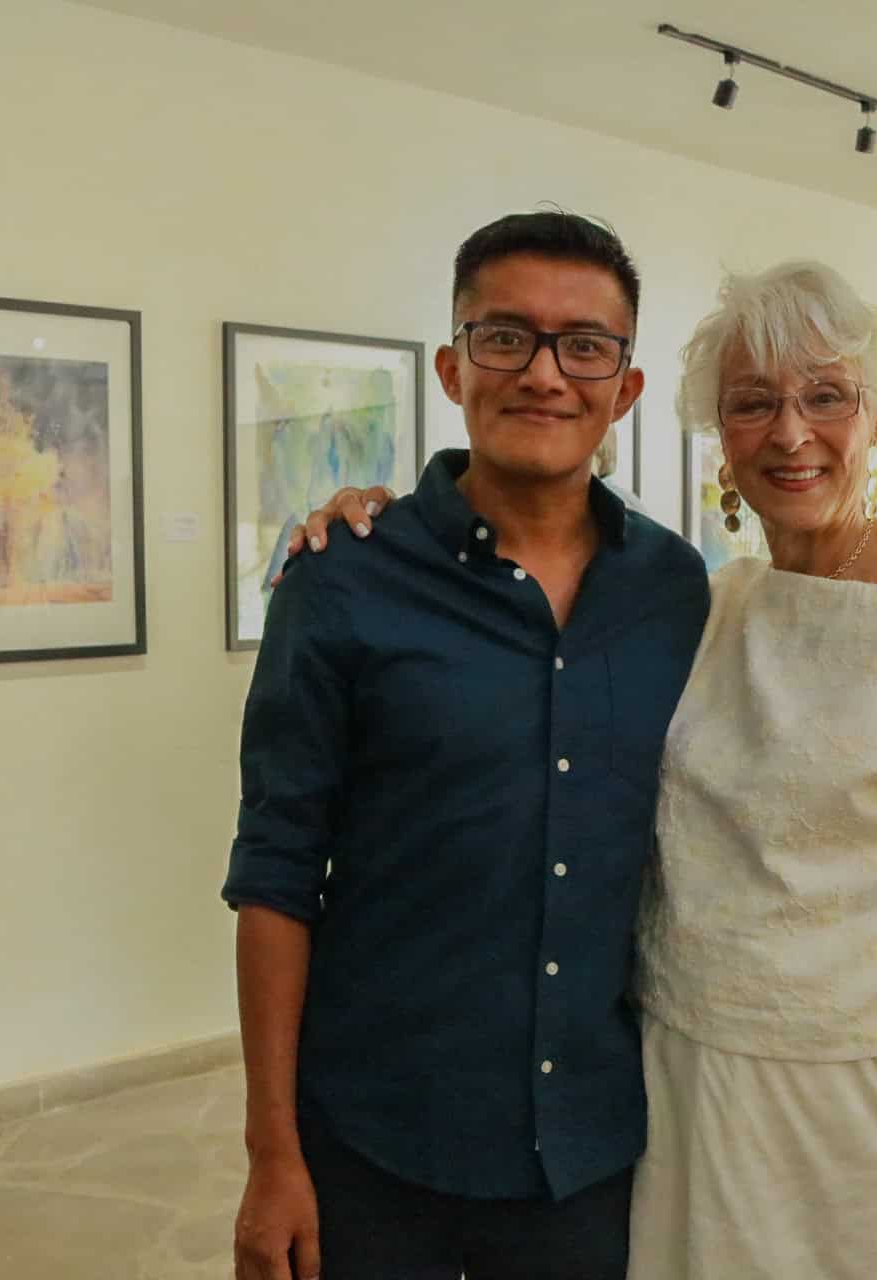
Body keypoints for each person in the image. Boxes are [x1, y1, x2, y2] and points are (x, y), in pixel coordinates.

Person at [299, 260, 877, 1279]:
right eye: (753, 402)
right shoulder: (703, 604)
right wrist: (383, 519)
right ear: (718, 434)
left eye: (827, 395)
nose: (790, 432)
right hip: (695, 1079)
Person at [223, 211, 710, 1280]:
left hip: (587, 1148)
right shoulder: (343, 579)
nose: (544, 372)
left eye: (585, 345)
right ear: (453, 367)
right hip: (374, 1137)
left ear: (625, 388)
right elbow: (275, 873)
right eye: (505, 336)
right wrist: (272, 1153)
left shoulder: (675, 590)